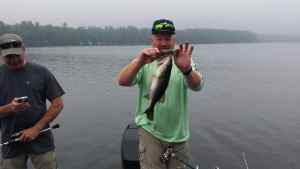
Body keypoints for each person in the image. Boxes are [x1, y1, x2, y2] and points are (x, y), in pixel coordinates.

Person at [117, 19, 204, 169]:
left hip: (179, 136)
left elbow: (197, 86)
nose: (163, 43)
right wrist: (140, 62)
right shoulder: (143, 60)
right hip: (150, 132)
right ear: (152, 39)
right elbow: (122, 81)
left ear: (174, 39)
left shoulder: (183, 60)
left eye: (168, 38)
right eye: (159, 38)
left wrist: (187, 70)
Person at [0, 33, 65, 169]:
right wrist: (10, 108)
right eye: (9, 57)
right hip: (10, 143)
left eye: (17, 55)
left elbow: (58, 104)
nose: (14, 60)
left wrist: (36, 129)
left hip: (41, 140)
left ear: (24, 50)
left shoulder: (41, 72)